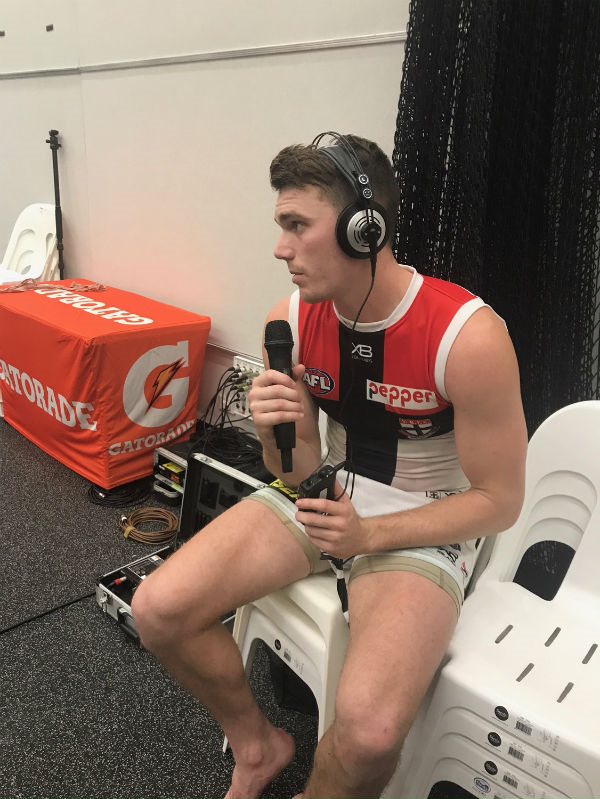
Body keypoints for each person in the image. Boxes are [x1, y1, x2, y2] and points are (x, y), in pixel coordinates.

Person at [131, 132, 528, 799]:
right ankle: (259, 748)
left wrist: (368, 536)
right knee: (158, 608)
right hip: (322, 492)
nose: (280, 248)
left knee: (370, 734)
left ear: (362, 229)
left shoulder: (468, 335)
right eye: (279, 225)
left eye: (296, 226)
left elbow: (500, 501)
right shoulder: (287, 319)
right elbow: (293, 471)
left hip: (423, 516)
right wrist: (274, 430)